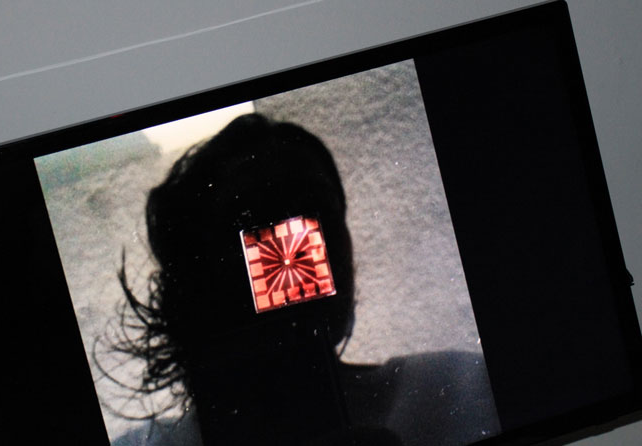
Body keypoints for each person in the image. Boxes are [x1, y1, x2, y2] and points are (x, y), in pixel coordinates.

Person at [110, 113, 498, 445]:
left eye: (318, 210)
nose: (295, 244)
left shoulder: (465, 388)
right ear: (197, 272)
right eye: (252, 220)